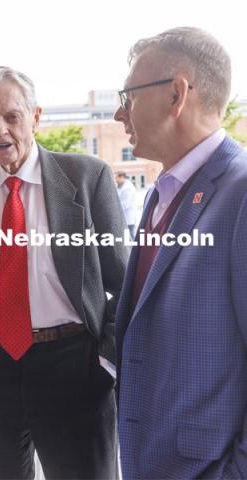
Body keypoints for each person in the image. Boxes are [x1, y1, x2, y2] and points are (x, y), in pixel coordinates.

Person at [0, 66, 128, 479]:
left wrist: (106, 362)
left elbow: (124, 282)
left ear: (36, 116)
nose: (0, 129)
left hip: (74, 365)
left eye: (12, 116)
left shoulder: (87, 176)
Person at [114, 27, 247, 479]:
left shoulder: (241, 193)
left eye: (128, 95)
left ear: (176, 94)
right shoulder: (161, 193)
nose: (119, 112)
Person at [115, 171, 137, 238]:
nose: (115, 180)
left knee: (130, 238)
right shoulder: (121, 186)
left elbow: (126, 204)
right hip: (124, 218)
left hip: (128, 219)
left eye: (116, 178)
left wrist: (114, 208)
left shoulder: (128, 188)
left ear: (122, 177)